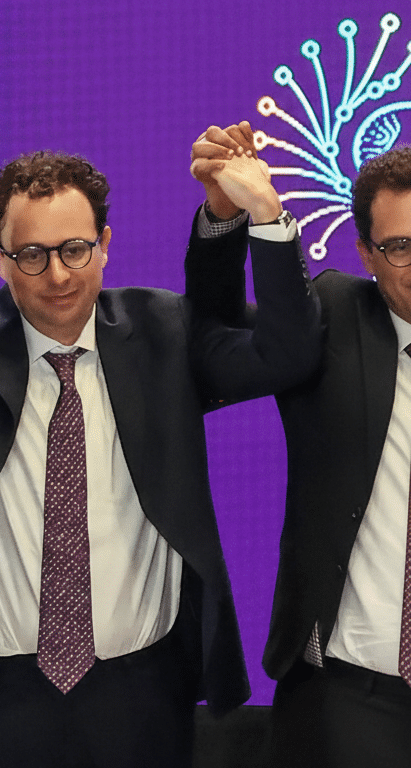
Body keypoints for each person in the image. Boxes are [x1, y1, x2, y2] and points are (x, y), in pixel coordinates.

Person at [0, 70, 322, 767]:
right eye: (32, 255)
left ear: (104, 241)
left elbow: (287, 353)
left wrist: (262, 215)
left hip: (141, 692)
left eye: (75, 249)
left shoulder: (164, 332)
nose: (59, 275)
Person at [190, 137, 411, 767]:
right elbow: (219, 337)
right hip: (347, 696)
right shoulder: (339, 316)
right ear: (368, 253)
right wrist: (242, 215)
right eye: (400, 246)